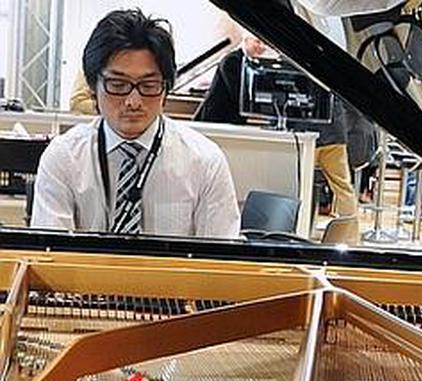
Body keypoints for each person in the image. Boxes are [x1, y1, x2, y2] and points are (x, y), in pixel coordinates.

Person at [32, 9, 240, 237]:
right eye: (118, 85)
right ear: (93, 86)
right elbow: (49, 257)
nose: (133, 101)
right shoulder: (63, 158)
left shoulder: (205, 161)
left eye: (148, 86)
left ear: (166, 87)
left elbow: (220, 262)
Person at [194, 34, 358, 221]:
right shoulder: (233, 61)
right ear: (245, 39)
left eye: (264, 42)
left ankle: (326, 225)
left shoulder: (287, 67)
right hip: (216, 124)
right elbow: (246, 98)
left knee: (305, 183)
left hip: (320, 137)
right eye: (258, 42)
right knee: (331, 185)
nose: (262, 47)